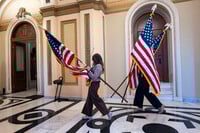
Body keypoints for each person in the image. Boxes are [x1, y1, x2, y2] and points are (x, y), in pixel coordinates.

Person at [82, 53, 112, 120]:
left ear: (96, 59)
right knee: (89, 99)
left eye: (93, 59)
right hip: (93, 84)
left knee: (96, 99)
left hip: (95, 84)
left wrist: (89, 70)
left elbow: (94, 77)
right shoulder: (97, 66)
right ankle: (88, 114)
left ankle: (108, 112)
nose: (93, 61)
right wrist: (89, 69)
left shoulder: (98, 66)